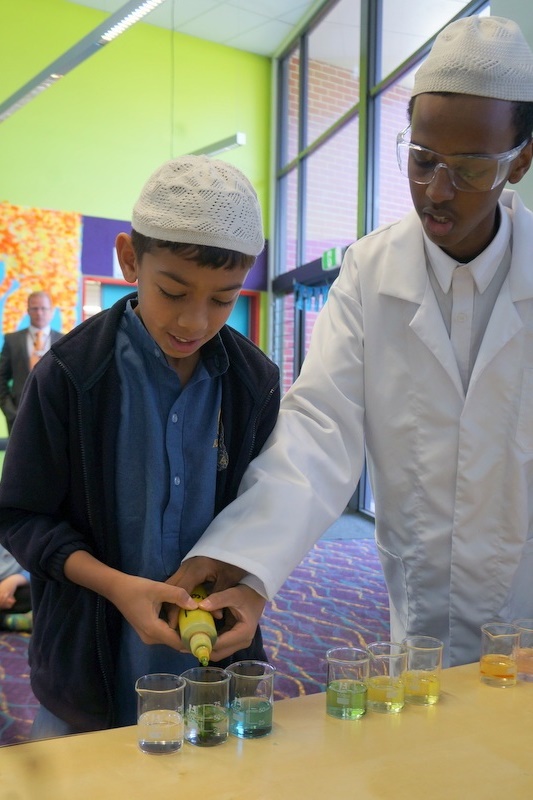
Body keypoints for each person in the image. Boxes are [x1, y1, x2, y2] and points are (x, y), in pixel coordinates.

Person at [172, 15, 533, 670]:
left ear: (521, 160)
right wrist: (242, 557)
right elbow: (319, 429)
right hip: (419, 614)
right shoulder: (371, 270)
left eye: (470, 169)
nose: (436, 192)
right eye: (422, 161)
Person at [0, 155, 280, 736]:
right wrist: (114, 585)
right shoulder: (70, 376)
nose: (195, 320)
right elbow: (21, 515)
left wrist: (251, 586)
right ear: (129, 259)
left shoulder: (255, 382)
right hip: (89, 669)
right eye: (173, 291)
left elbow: (269, 511)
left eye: (224, 299)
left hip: (217, 668)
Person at [0, 290, 62, 433]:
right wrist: (10, 411)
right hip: (18, 415)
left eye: (43, 308)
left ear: (51, 311)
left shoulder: (63, 341)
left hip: (54, 415)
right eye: (34, 308)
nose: (39, 313)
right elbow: (1, 377)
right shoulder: (12, 340)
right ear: (27, 311)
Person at [0, 543, 32, 632]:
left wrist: (15, 580)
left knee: (35, 594)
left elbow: (39, 569)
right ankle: (6, 621)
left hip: (18, 588)